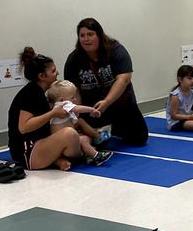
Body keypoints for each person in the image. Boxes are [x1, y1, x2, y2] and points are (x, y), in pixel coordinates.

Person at [63, 17, 148, 145]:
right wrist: (79, 112)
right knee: (100, 144)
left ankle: (117, 126)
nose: (86, 39)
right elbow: (73, 90)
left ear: (99, 35)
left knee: (139, 139)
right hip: (94, 110)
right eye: (82, 35)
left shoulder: (116, 50)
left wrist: (107, 102)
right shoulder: (74, 59)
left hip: (120, 103)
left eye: (90, 34)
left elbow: (124, 79)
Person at [7, 47, 86, 171]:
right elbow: (24, 127)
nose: (57, 73)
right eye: (53, 71)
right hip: (27, 152)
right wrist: (52, 113)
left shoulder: (39, 92)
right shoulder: (31, 94)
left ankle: (59, 159)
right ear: (42, 76)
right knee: (70, 135)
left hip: (37, 143)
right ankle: (84, 155)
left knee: (80, 136)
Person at [46, 80, 113, 165]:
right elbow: (77, 108)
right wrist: (91, 110)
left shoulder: (58, 107)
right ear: (62, 99)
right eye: (72, 97)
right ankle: (96, 156)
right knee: (83, 140)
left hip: (62, 143)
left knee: (84, 138)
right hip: (65, 145)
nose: (75, 99)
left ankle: (90, 151)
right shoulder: (63, 104)